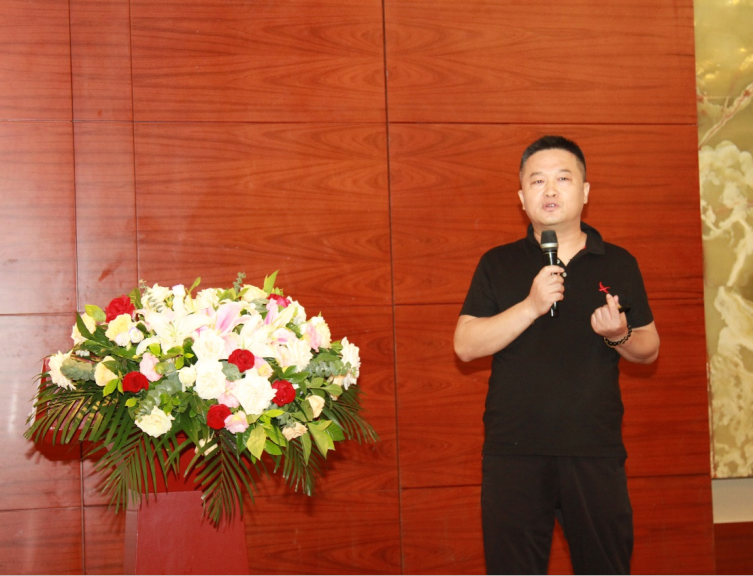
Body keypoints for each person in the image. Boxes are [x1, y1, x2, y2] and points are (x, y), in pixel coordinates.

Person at [454, 135, 660, 575]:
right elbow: (465, 345)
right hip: (514, 452)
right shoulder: (497, 263)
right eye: (537, 181)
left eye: (563, 179)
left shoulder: (619, 263)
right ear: (521, 197)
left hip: (593, 449)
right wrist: (530, 306)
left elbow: (649, 348)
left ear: (585, 192)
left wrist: (620, 335)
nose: (549, 190)